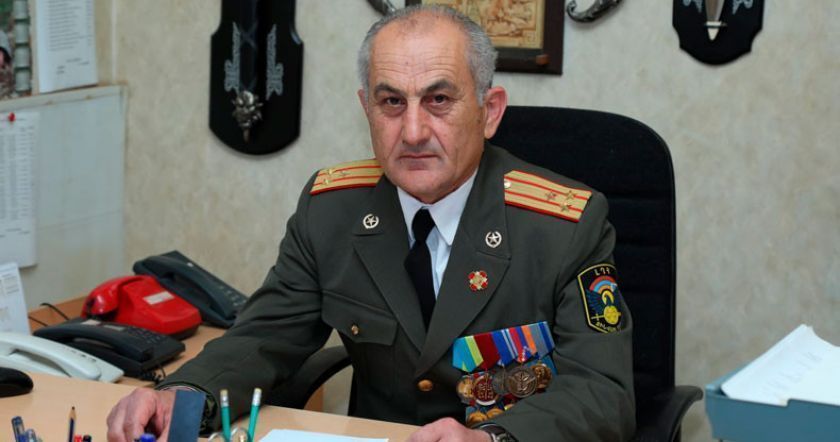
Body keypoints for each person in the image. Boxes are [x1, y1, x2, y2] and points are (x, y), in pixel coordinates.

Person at [106, 5, 635, 442]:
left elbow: (602, 392)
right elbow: (266, 334)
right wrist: (184, 394)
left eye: (439, 100)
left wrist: (493, 438)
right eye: (391, 102)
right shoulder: (331, 209)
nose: (413, 131)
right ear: (366, 108)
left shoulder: (564, 225)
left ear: (489, 110)